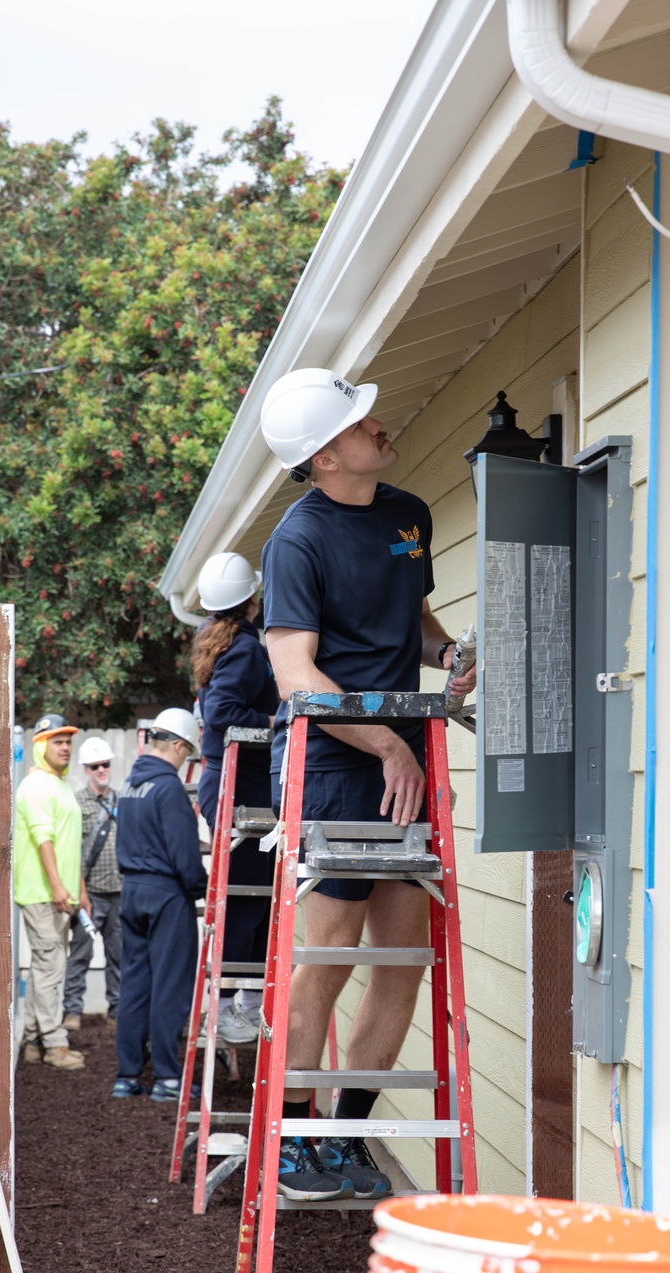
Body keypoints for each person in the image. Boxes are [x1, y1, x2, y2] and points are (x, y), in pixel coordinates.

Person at [259, 366, 477, 1200]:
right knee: (328, 959)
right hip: (337, 765)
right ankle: (294, 1142)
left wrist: (447, 654)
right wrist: (386, 743)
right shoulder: (297, 542)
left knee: (401, 959)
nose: (377, 426)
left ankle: (346, 1136)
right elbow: (297, 680)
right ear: (324, 457)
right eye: (358, 424)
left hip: (402, 757)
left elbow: (411, 623)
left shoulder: (408, 515)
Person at [192, 552, 279, 1045]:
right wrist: (273, 722)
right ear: (252, 599)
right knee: (248, 898)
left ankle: (243, 1000)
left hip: (231, 784)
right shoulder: (245, 648)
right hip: (238, 788)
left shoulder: (218, 639)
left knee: (253, 895)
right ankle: (229, 1008)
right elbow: (223, 712)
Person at [113, 707, 208, 1102]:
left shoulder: (129, 785)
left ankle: (127, 1076)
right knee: (170, 986)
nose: (186, 762)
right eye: (188, 754)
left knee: (135, 985)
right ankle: (168, 1078)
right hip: (166, 894)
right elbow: (184, 853)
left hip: (132, 891)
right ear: (178, 746)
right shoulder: (168, 788)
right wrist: (202, 888)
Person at [13, 713, 91, 1070]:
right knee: (50, 969)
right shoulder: (36, 786)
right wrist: (59, 886)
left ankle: (32, 1041)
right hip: (43, 894)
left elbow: (69, 844)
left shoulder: (60, 785)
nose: (65, 747)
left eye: (68, 742)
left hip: (59, 895)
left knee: (45, 969)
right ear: (40, 745)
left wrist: (80, 890)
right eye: (57, 741)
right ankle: (55, 1045)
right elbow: (44, 840)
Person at [62, 735, 122, 1032]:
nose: (101, 770)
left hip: (120, 892)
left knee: (119, 955)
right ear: (86, 769)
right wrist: (79, 891)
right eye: (95, 765)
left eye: (105, 764)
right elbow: (69, 850)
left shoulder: (121, 801)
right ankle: (72, 1011)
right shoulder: (75, 802)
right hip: (89, 894)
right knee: (80, 954)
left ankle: (117, 1011)